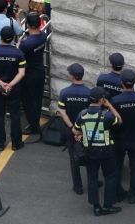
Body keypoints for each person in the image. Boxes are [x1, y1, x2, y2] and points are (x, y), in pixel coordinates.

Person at [74, 87, 123, 216]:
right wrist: (110, 106)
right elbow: (119, 120)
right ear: (101, 100)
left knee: (92, 178)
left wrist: (82, 135)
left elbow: (76, 131)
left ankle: (96, 207)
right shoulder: (107, 116)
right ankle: (107, 205)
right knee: (111, 177)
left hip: (89, 151)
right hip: (106, 151)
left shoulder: (82, 114)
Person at [110, 69, 135, 204]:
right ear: (134, 82)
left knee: (117, 166)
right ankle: (134, 194)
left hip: (119, 138)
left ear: (121, 83)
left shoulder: (115, 101)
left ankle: (117, 193)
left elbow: (112, 120)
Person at [0, 26, 26, 151]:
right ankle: (16, 143)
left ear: (0, 37)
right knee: (15, 115)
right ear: (13, 38)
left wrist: (1, 84)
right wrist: (10, 84)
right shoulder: (19, 53)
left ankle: (0, 143)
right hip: (14, 89)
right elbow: (21, 73)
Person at [57, 63, 90, 195]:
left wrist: (72, 127)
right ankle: (92, 180)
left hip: (71, 131)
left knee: (73, 157)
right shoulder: (89, 93)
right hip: (86, 131)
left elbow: (62, 112)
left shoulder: (65, 93)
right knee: (89, 156)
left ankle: (78, 187)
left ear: (72, 76)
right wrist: (81, 131)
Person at [19, 13, 47, 136]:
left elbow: (20, 58)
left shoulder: (25, 44)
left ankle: (33, 126)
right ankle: (35, 121)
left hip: (29, 74)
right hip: (40, 72)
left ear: (28, 25)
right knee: (38, 99)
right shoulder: (43, 36)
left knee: (28, 101)